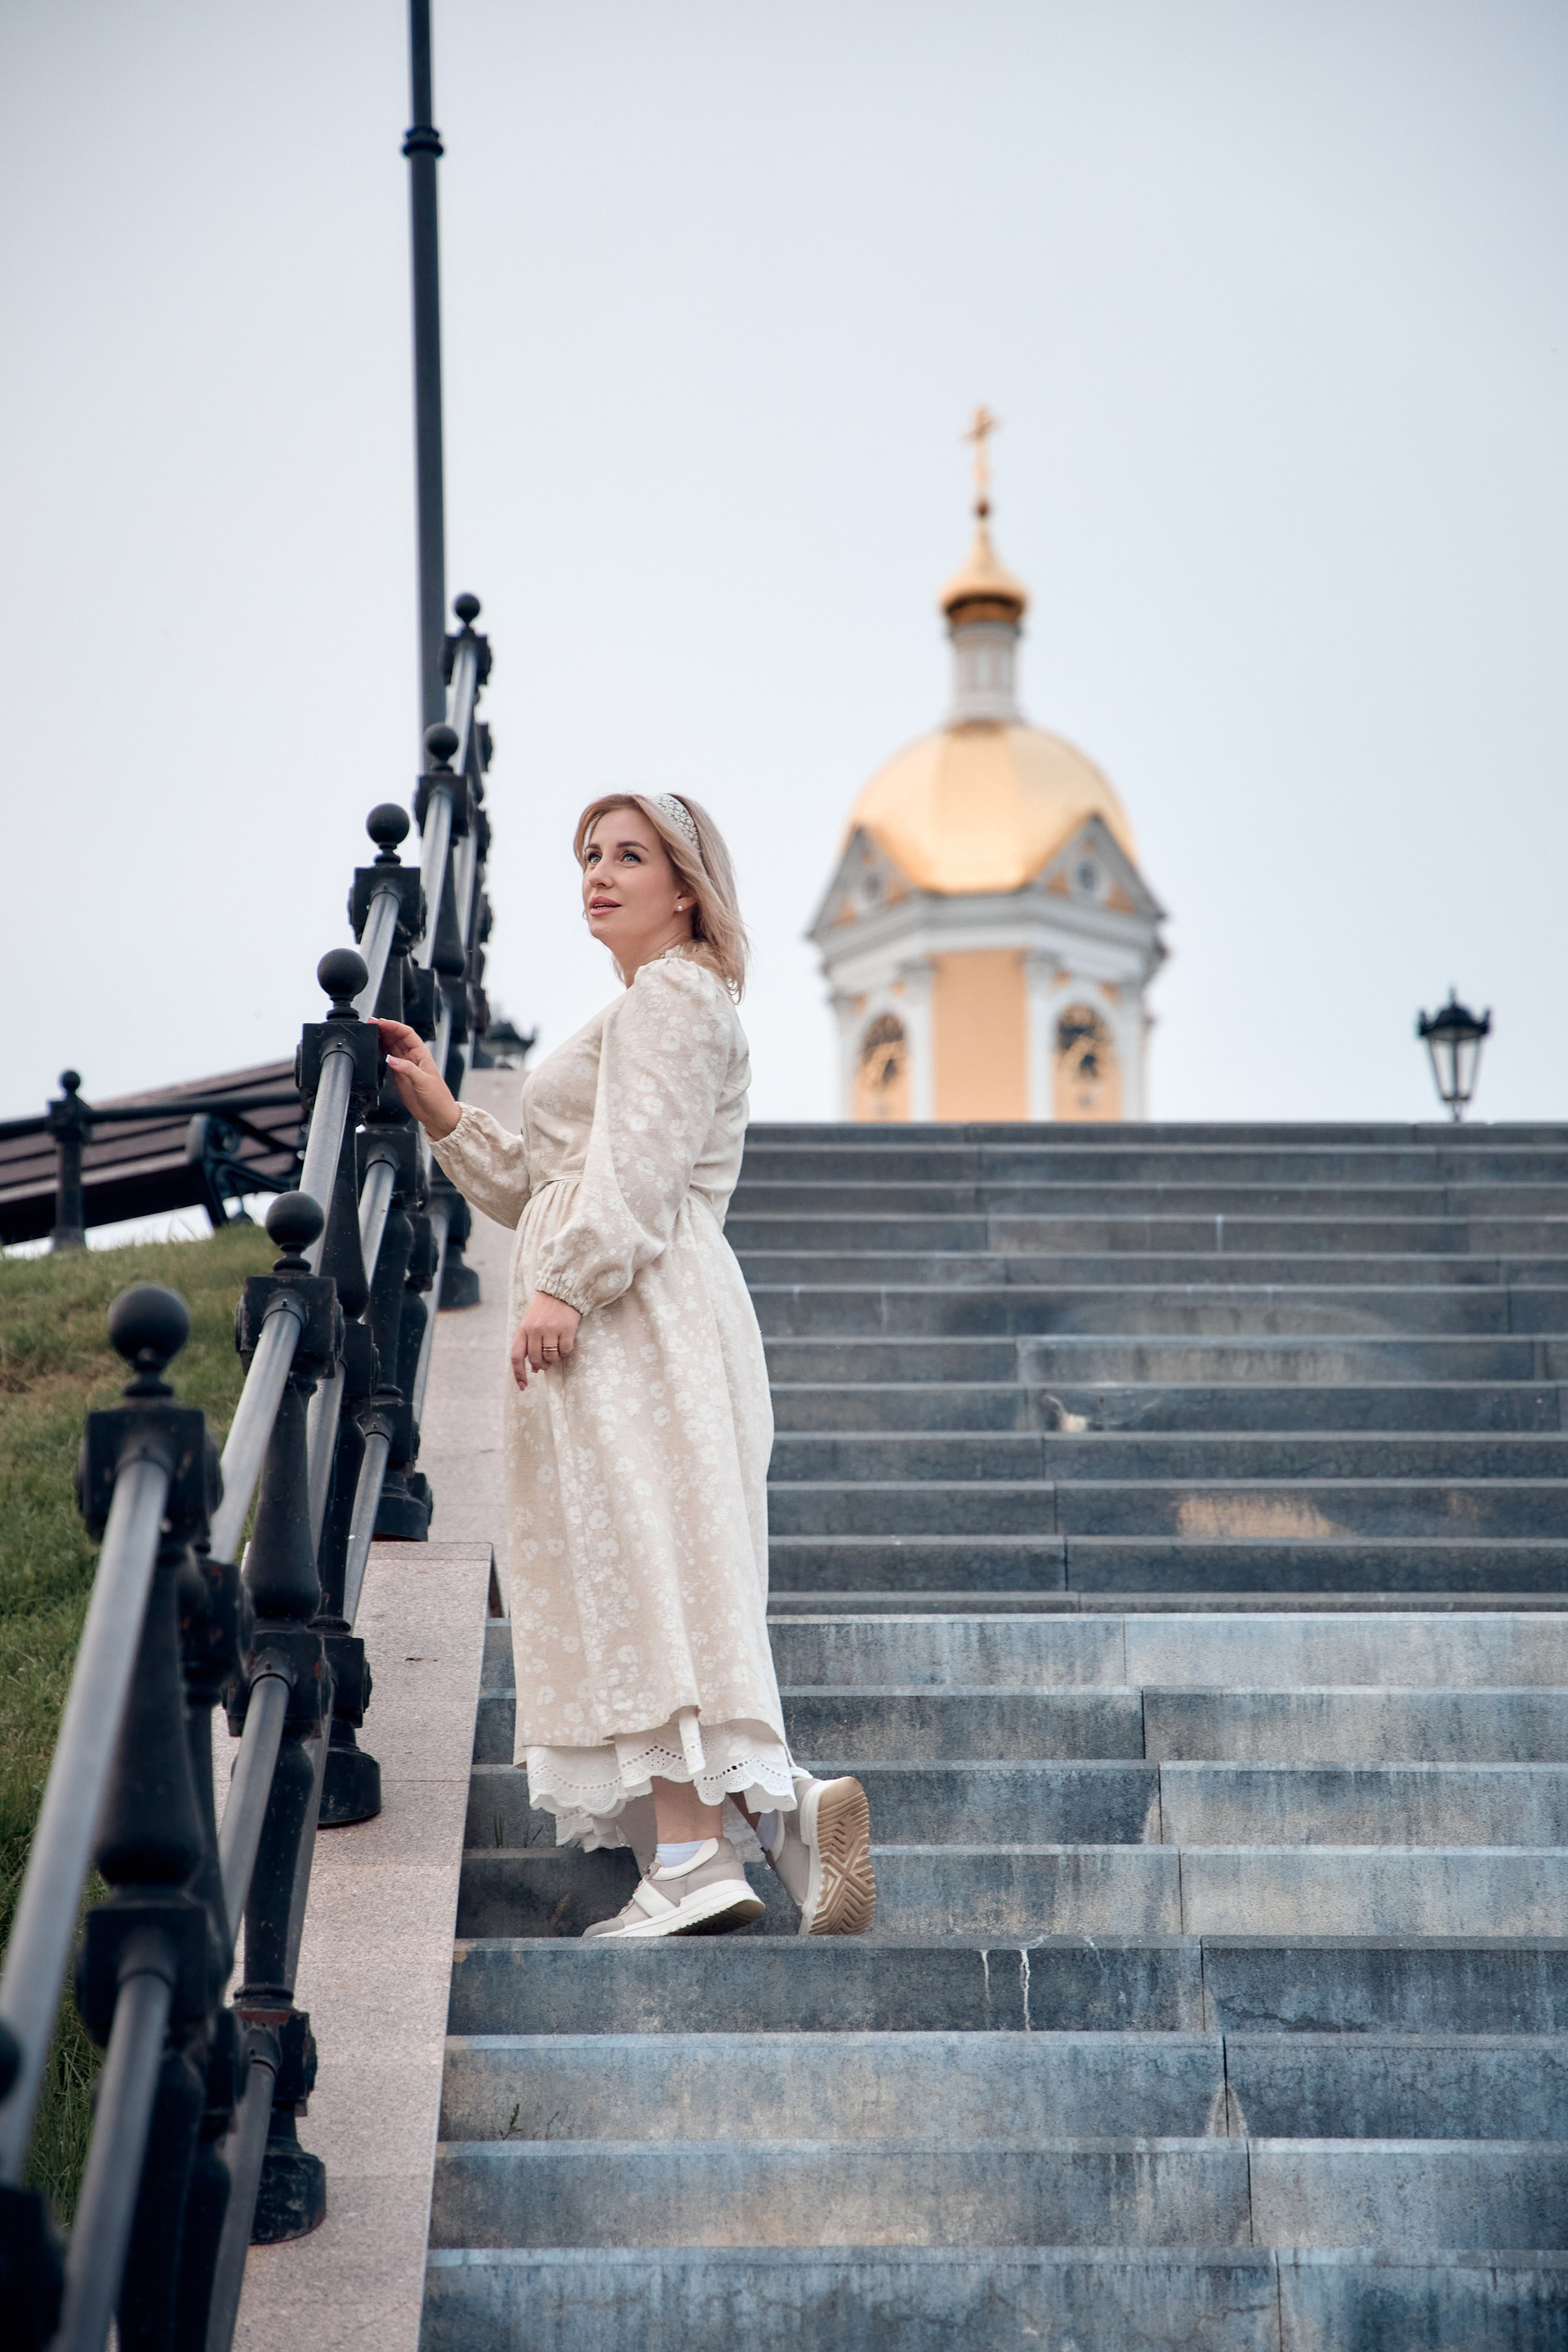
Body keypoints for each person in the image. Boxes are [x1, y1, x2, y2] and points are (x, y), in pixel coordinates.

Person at [376, 790, 876, 1940]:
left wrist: (566, 1286)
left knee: (644, 1561)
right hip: (621, 1305)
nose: (598, 873)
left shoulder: (673, 996)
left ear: (687, 890)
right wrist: (448, 1116)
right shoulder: (648, 1006)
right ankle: (777, 1817)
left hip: (632, 1315)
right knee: (636, 1560)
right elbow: (548, 1187)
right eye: (590, 855)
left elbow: (638, 1175)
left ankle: (696, 1858)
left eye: (630, 856)